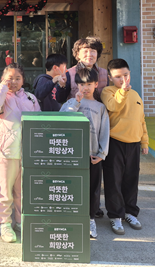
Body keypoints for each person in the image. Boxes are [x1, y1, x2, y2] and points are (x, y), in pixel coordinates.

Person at [0, 63, 40, 243]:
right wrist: (2, 88)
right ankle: (5, 223)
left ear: (23, 80)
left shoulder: (31, 98)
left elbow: (38, 121)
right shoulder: (0, 97)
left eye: (17, 78)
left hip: (26, 151)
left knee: (23, 190)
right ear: (2, 79)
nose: (14, 82)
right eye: (9, 78)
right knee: (5, 191)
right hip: (6, 152)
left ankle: (21, 220)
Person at [55, 36, 109, 218]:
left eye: (93, 51)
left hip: (97, 124)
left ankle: (93, 209)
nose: (89, 54)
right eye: (85, 51)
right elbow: (60, 99)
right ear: (77, 54)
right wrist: (62, 85)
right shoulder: (70, 73)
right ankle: (75, 207)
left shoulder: (103, 73)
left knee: (95, 175)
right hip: (75, 127)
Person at [100, 58, 149, 236]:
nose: (123, 79)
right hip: (115, 142)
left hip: (134, 143)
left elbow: (141, 120)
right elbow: (114, 106)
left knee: (131, 179)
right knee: (114, 180)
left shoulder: (136, 95)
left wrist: (144, 142)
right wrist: (122, 91)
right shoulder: (107, 92)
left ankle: (130, 212)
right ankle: (115, 215)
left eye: (125, 75)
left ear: (130, 74)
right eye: (118, 76)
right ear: (110, 77)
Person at [60, 67, 109, 239]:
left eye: (89, 84)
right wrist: (76, 102)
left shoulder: (101, 107)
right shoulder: (70, 103)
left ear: (96, 84)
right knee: (72, 187)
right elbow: (62, 119)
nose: (85, 88)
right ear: (77, 85)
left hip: (92, 155)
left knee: (93, 189)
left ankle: (90, 219)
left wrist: (102, 154)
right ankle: (73, 218)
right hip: (73, 155)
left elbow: (105, 131)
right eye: (81, 84)